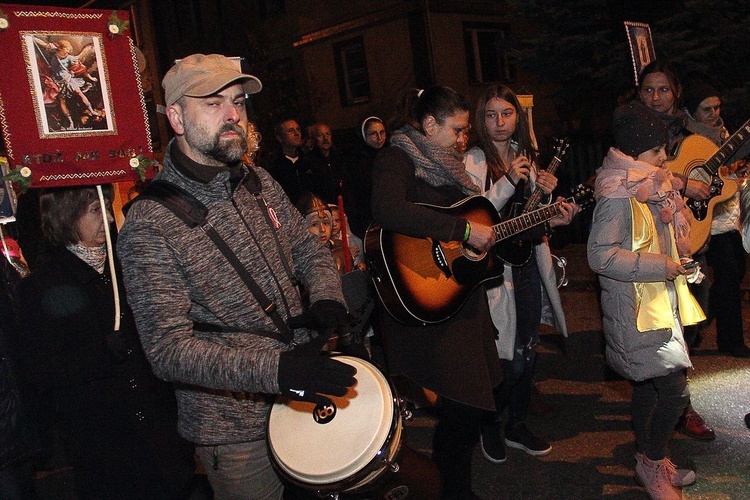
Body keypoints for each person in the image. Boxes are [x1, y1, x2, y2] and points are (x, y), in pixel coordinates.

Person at [116, 53, 356, 499]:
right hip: (234, 431)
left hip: (299, 395)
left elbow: (306, 247)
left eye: (239, 102)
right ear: (176, 117)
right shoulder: (150, 223)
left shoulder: (257, 179)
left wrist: (326, 297)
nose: (233, 115)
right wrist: (276, 369)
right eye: (212, 102)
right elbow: (168, 351)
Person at [15, 185, 195, 499]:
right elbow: (40, 371)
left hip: (156, 430)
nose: (108, 219)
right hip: (103, 439)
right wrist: (100, 353)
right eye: (96, 210)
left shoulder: (124, 267)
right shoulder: (43, 286)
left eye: (108, 208)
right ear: (67, 215)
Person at [371, 85, 503, 498]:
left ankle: (452, 487)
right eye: (458, 129)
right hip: (423, 297)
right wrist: (461, 229)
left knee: (473, 401)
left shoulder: (451, 167)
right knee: (464, 404)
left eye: (466, 131)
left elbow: (479, 226)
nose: (465, 138)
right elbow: (387, 209)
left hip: (460, 300)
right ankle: (450, 491)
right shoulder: (397, 157)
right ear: (429, 124)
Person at [588, 102, 705, 500]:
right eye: (658, 152)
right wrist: (661, 265)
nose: (665, 158)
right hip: (636, 311)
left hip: (655, 305)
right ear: (637, 152)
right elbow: (600, 255)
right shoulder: (618, 193)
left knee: (647, 388)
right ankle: (652, 463)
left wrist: (678, 260)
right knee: (675, 391)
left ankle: (648, 461)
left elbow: (663, 231)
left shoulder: (651, 182)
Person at [464, 84, 579, 464]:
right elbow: (477, 217)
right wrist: (509, 180)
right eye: (491, 115)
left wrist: (553, 208)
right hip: (493, 273)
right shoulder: (473, 161)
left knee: (528, 350)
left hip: (528, 263)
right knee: (503, 357)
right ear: (481, 119)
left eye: (507, 114)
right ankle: (489, 425)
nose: (500, 123)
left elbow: (528, 220)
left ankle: (517, 423)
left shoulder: (526, 156)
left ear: (518, 116)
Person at [638, 60, 716, 441]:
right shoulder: (630, 130)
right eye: (648, 89)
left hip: (687, 242)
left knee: (691, 324)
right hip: (647, 246)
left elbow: (722, 171)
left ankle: (673, 399)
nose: (655, 97)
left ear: (677, 92)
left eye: (663, 89)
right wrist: (681, 181)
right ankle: (673, 407)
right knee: (655, 327)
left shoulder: (693, 131)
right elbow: (625, 172)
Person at [683, 81, 750, 358]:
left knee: (735, 276)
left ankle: (723, 332)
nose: (714, 113)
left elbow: (723, 181)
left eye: (717, 107)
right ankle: (722, 340)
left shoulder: (725, 135)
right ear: (693, 111)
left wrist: (735, 173)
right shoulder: (685, 136)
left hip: (726, 217)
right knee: (715, 280)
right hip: (699, 220)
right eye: (706, 108)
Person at [349, 116, 387, 237]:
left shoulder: (391, 154)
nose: (379, 138)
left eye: (382, 132)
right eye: (373, 134)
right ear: (363, 135)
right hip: (367, 219)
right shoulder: (355, 162)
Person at [261, 118, 314, 204]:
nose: (296, 134)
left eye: (298, 130)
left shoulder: (308, 161)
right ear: (280, 138)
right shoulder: (273, 165)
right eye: (291, 131)